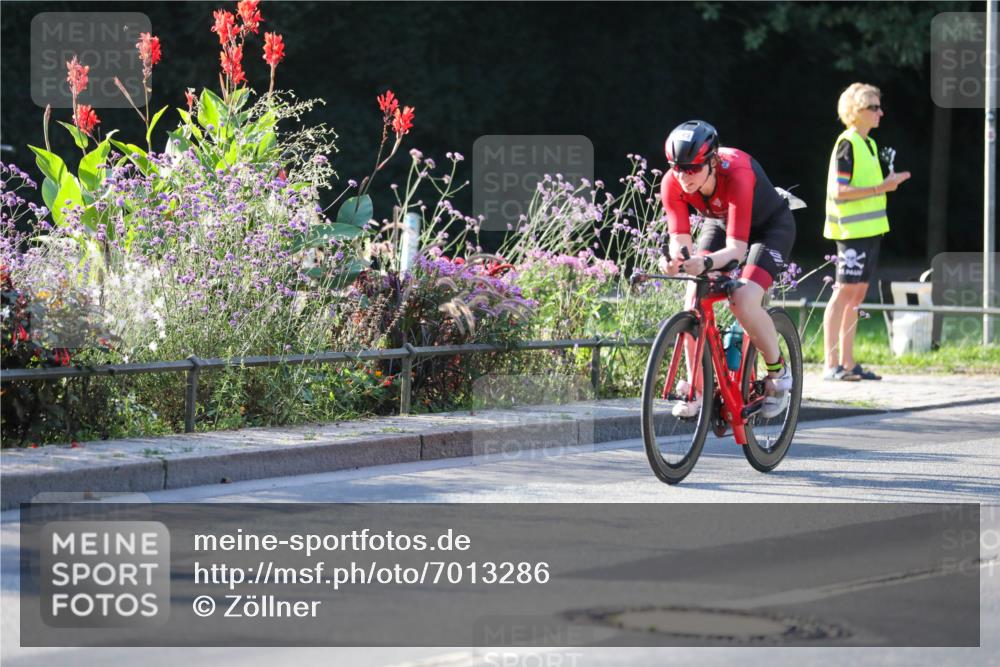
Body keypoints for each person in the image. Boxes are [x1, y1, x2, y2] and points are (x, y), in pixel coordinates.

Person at [658, 120, 796, 419]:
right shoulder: (672, 182)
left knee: (743, 299)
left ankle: (779, 373)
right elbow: (679, 241)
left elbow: (737, 251)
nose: (683, 176)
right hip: (721, 223)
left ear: (711, 161)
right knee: (694, 293)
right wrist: (674, 260)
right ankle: (696, 390)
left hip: (770, 229)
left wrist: (705, 262)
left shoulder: (737, 174)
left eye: (692, 168)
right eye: (677, 167)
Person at [822, 83, 911, 381]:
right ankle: (830, 364)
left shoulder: (869, 144)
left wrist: (887, 183)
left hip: (871, 231)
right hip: (850, 233)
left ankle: (848, 363)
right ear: (856, 112)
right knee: (842, 293)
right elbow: (840, 191)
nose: (880, 112)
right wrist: (881, 187)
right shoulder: (847, 143)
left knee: (856, 295)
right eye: (874, 107)